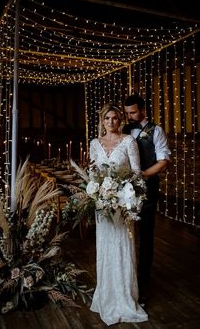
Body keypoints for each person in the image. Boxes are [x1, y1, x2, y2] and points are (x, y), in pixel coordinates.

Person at [89, 103, 148, 325]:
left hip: (123, 205)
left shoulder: (128, 142)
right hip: (103, 206)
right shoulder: (95, 143)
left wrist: (128, 199)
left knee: (123, 247)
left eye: (115, 118)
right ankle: (106, 295)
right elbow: (93, 172)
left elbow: (136, 174)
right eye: (107, 118)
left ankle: (124, 297)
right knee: (105, 248)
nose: (111, 122)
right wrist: (99, 193)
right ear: (102, 121)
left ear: (119, 120)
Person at [123, 94, 171, 304]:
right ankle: (125, 277)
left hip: (147, 189)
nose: (129, 116)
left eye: (133, 112)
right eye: (127, 113)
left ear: (142, 110)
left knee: (145, 236)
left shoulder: (156, 130)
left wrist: (141, 176)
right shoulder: (123, 130)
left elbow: (164, 162)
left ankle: (142, 281)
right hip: (122, 190)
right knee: (125, 233)